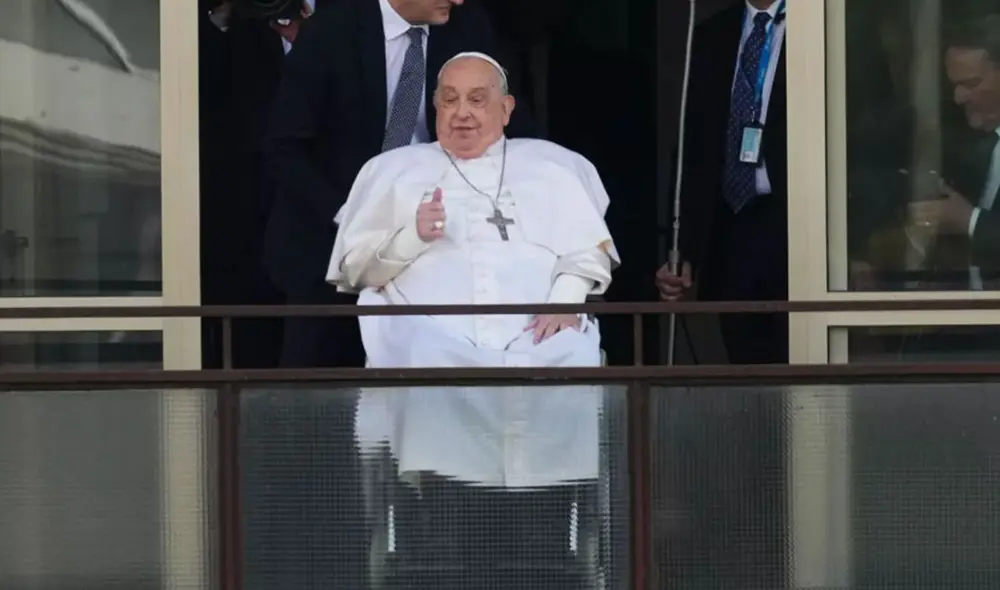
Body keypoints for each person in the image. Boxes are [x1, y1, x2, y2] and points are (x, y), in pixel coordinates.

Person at [328, 52, 618, 588]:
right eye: (449, 99)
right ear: (433, 106)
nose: (462, 113)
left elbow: (589, 254)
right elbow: (353, 270)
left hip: (536, 344)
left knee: (568, 355)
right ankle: (444, 541)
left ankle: (546, 547)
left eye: (477, 100)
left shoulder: (552, 167)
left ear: (506, 109)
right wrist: (412, 234)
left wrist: (566, 298)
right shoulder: (394, 170)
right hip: (436, 346)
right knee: (432, 365)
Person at [265, 0, 532, 368]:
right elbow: (285, 147)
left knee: (421, 389)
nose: (457, 0)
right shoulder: (332, 29)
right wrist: (355, 217)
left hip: (436, 242)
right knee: (315, 388)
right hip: (329, 240)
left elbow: (504, 123)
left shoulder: (468, 26)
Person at [655, 0, 788, 365]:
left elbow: (869, 130)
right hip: (734, 227)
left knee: (807, 365)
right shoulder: (712, 34)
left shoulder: (821, 24)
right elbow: (693, 148)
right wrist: (681, 250)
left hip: (802, 227)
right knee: (748, 371)